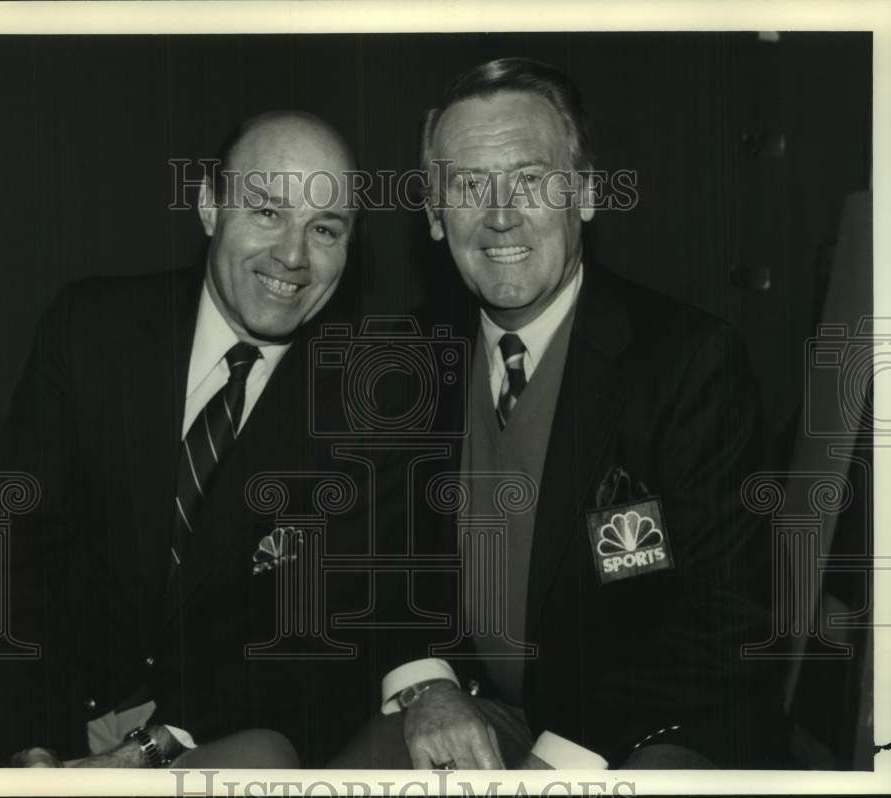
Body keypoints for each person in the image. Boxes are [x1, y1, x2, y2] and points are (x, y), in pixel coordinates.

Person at [337, 57, 789, 770]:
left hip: (652, 723)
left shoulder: (690, 362)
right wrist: (427, 685)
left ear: (584, 195)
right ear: (432, 214)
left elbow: (730, 620)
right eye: (468, 186)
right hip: (472, 707)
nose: (500, 214)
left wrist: (564, 757)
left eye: (529, 179)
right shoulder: (402, 365)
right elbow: (379, 567)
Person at [0, 110, 396, 768]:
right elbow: (13, 549)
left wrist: (152, 748)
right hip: (46, 696)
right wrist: (36, 751)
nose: (293, 255)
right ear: (209, 207)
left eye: (324, 228)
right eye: (266, 212)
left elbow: (322, 646)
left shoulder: (369, 407)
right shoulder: (91, 331)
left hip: (217, 727)